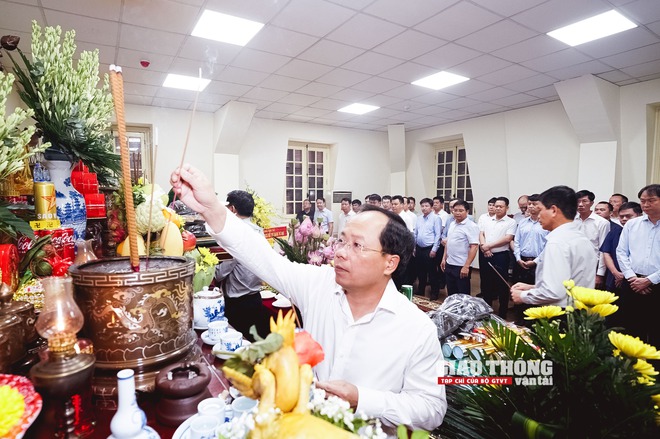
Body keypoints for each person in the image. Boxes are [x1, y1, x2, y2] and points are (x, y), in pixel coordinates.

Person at [170, 164, 446, 433]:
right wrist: (211, 208)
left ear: (390, 263)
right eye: (342, 241)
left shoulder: (416, 329)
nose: (340, 252)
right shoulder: (320, 284)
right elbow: (263, 259)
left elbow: (431, 409)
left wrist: (362, 399)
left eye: (357, 245)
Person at [511, 186, 597, 307]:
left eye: (540, 210)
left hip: (562, 312)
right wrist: (533, 287)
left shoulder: (557, 242)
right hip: (579, 310)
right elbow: (566, 283)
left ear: (553, 210)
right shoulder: (580, 238)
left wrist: (523, 296)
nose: (538, 215)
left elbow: (554, 293)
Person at [214, 190, 271, 341]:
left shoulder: (235, 234)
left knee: (238, 346)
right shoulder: (259, 232)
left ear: (232, 209)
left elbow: (220, 273)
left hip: (237, 304)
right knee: (255, 344)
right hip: (255, 299)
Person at [616, 184, 660, 347]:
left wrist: (650, 280)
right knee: (631, 329)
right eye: (643, 201)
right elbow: (621, 252)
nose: (646, 204)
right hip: (632, 284)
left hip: (657, 286)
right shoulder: (632, 224)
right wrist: (632, 278)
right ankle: (631, 369)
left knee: (656, 331)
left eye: (651, 200)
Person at [479, 197, 517, 318]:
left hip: (501, 256)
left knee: (501, 285)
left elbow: (507, 239)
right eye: (496, 206)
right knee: (486, 283)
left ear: (507, 208)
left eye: (501, 206)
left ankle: (502, 313)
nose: (498, 208)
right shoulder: (488, 220)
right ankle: (486, 311)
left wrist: (488, 246)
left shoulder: (511, 222)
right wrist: (484, 247)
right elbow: (481, 234)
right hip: (485, 254)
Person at [440, 200, 479, 295]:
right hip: (450, 263)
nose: (457, 213)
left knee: (462, 294)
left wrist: (466, 266)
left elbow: (474, 247)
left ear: (467, 212)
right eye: (455, 210)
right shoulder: (453, 223)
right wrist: (444, 258)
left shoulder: (471, 226)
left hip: (461, 265)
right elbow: (448, 242)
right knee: (451, 292)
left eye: (461, 210)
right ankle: (453, 310)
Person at [574, 189, 610, 288]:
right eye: (578, 201)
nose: (580, 204)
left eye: (584, 201)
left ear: (591, 203)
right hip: (572, 265)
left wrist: (600, 274)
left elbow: (604, 250)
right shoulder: (571, 220)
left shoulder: (602, 223)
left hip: (592, 266)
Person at [414, 198, 442, 299]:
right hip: (419, 248)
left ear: (431, 207)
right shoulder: (419, 218)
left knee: (432, 272)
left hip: (429, 249)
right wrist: (414, 248)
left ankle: (434, 292)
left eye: (426, 206)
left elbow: (438, 235)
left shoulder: (436, 218)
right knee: (420, 271)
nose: (424, 208)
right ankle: (421, 290)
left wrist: (434, 249)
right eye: (422, 206)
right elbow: (415, 233)